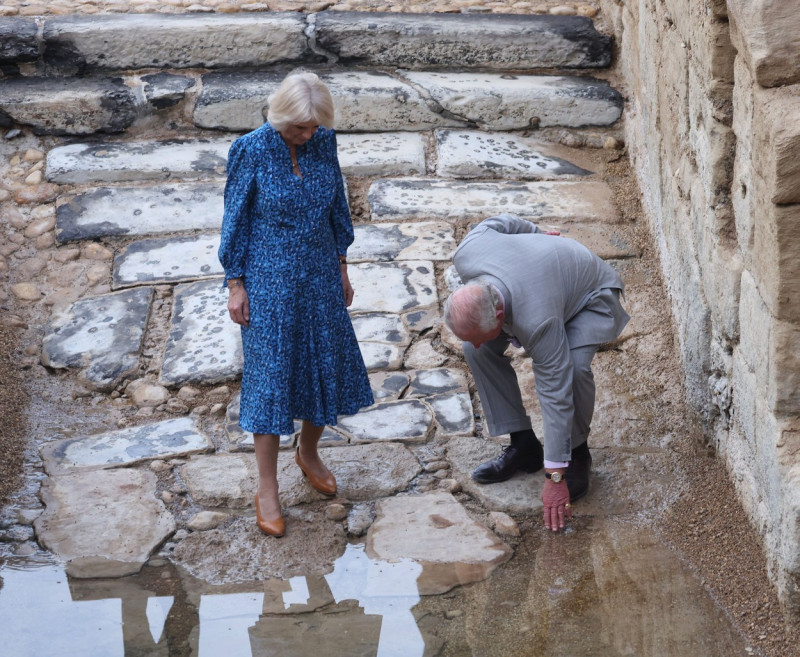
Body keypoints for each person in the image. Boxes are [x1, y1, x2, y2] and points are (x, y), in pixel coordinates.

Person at [218, 72, 374, 537]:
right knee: (269, 381)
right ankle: (267, 488)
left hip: (320, 273)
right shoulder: (251, 149)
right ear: (280, 116)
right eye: (300, 128)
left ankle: (308, 453)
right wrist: (235, 283)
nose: (308, 136)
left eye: (314, 128)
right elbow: (235, 219)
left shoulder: (324, 143)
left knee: (322, 367)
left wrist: (342, 265)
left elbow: (337, 208)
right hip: (269, 279)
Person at [443, 214, 629, 532]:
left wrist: (554, 475)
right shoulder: (468, 253)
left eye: (477, 331)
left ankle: (577, 453)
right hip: (538, 287)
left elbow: (553, 391)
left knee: (572, 370)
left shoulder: (537, 320)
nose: (471, 338)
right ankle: (524, 444)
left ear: (500, 314)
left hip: (588, 297)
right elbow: (496, 222)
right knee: (476, 349)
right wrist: (534, 231)